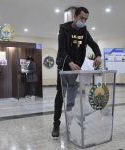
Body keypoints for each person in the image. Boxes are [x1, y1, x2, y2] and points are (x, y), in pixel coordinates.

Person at [52, 7, 102, 137]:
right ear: (75, 16)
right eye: (81, 18)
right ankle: (56, 125)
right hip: (64, 69)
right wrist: (70, 62)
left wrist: (98, 55)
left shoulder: (84, 31)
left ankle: (70, 122)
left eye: (86, 19)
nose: (84, 21)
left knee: (72, 99)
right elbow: (62, 50)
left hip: (76, 71)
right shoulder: (64, 29)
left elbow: (94, 44)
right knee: (60, 97)